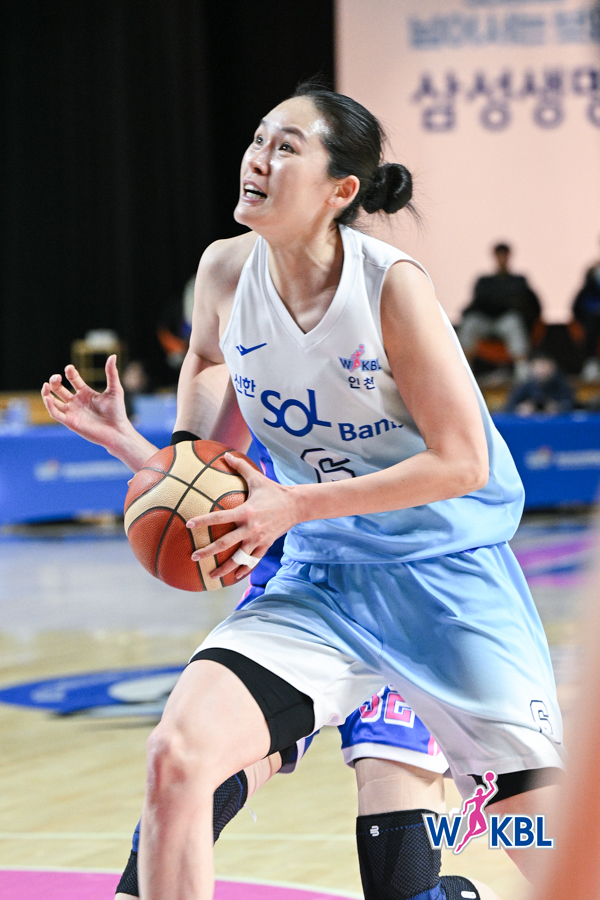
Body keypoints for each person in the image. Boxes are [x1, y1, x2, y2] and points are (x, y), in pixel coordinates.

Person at [43, 84, 563, 900]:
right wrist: (157, 454)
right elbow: (210, 362)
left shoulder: (390, 288)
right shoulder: (225, 271)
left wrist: (294, 505)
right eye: (258, 139)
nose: (258, 157)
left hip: (445, 583)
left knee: (555, 856)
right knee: (179, 758)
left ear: (339, 190)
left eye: (286, 147)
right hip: (319, 582)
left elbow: (464, 463)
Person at [458, 243, 541, 380]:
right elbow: (478, 302)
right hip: (485, 320)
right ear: (494, 257)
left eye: (504, 255)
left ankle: (523, 374)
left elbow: (530, 305)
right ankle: (464, 373)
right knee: (470, 323)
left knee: (514, 322)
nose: (502, 258)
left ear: (509, 256)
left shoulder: (518, 281)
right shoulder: (484, 281)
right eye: (499, 255)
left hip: (506, 321)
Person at [504, 351, 574, 415]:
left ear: (553, 367)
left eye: (545, 365)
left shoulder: (562, 385)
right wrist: (520, 409)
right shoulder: (524, 386)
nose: (542, 370)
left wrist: (558, 407)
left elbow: (572, 405)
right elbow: (508, 407)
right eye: (539, 366)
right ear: (531, 367)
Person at [572, 239, 600, 382]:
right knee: (591, 323)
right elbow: (582, 300)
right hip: (595, 316)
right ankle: (591, 363)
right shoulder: (593, 271)